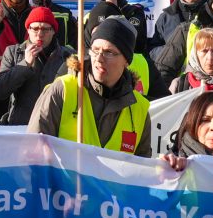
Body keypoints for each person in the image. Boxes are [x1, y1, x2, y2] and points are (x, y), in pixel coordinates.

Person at [28, 17, 152, 151]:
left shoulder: (139, 109)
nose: (99, 59)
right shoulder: (62, 90)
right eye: (95, 50)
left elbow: (142, 167)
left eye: (109, 52)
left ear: (126, 61)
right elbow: (33, 152)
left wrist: (168, 167)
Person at [0, 7, 72, 125]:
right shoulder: (13, 52)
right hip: (22, 125)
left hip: (55, 124)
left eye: (45, 29)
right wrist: (25, 64)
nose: (40, 34)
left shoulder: (68, 56)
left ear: (53, 31)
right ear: (28, 30)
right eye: (35, 29)